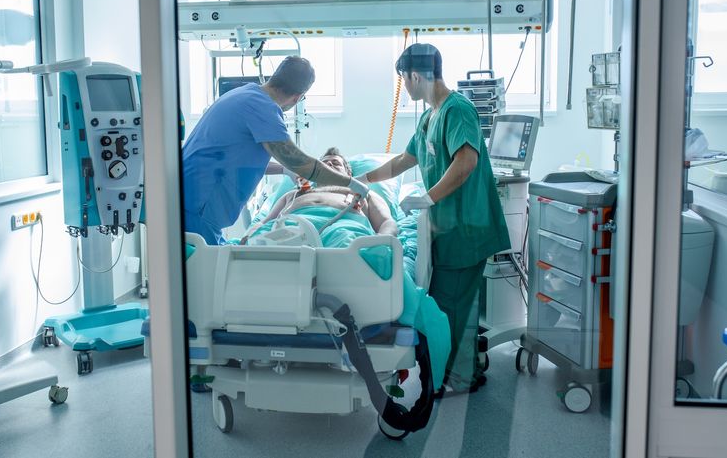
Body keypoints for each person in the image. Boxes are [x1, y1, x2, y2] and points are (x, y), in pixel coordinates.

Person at [360, 43, 511, 394]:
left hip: (467, 227)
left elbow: (466, 162)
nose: (405, 87)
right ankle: (462, 366)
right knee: (450, 303)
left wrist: (427, 197)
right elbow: (402, 161)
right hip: (447, 227)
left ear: (414, 75)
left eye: (404, 80)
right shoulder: (430, 116)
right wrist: (363, 180)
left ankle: (460, 378)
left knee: (452, 306)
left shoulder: (457, 109)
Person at [181, 56, 369, 245]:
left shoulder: (243, 94)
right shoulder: (264, 109)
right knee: (207, 269)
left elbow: (239, 159)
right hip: (198, 206)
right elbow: (301, 163)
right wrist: (351, 183)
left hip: (191, 197)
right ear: (297, 97)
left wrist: (284, 170)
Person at [242, 147, 397, 244]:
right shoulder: (293, 194)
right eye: (323, 164)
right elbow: (265, 223)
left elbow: (386, 222)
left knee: (346, 241)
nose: (329, 165)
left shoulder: (363, 193)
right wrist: (249, 235)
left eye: (335, 163)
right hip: (291, 226)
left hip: (343, 226)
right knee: (261, 245)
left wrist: (382, 241)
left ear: (348, 173)